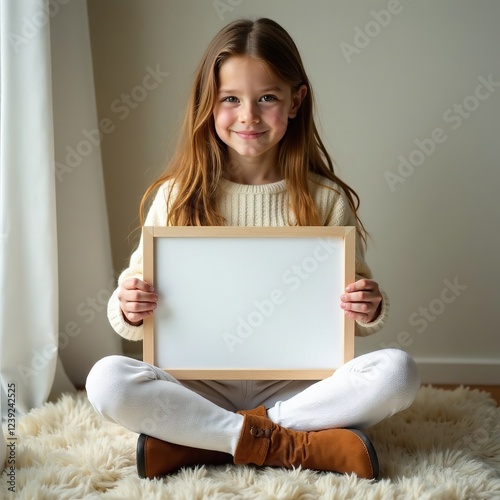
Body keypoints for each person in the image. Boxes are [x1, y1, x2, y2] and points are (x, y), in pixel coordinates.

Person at [86, 17, 420, 480]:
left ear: (295, 101)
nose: (248, 115)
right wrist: (128, 305)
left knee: (398, 373)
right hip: (200, 383)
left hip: (297, 386)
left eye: (267, 98)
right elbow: (133, 301)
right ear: (209, 104)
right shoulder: (177, 195)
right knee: (106, 380)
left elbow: (355, 313)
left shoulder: (325, 199)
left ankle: (211, 440)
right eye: (230, 99)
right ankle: (287, 442)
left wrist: (368, 306)